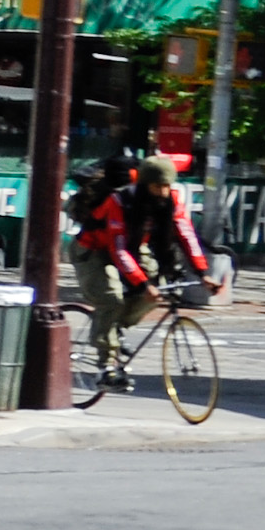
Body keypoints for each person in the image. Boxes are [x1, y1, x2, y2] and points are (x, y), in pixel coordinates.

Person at [70, 157, 144, 381]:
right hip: (91, 251)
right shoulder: (116, 199)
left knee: (157, 290)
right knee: (111, 299)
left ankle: (114, 326)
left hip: (122, 245)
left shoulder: (150, 197)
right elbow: (117, 246)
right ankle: (106, 367)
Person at [127, 158, 208, 291]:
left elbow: (187, 234)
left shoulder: (172, 200)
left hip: (136, 248)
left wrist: (202, 272)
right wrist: (142, 282)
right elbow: (118, 248)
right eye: (158, 186)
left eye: (167, 186)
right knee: (115, 296)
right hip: (98, 252)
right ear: (145, 185)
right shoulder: (124, 201)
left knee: (155, 290)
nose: (164, 193)